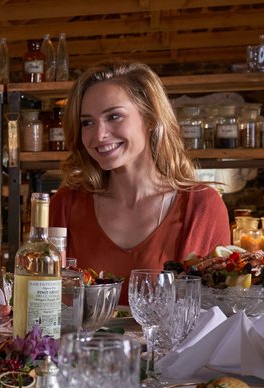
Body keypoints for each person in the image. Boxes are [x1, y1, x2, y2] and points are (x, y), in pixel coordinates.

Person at [50, 60, 230, 302]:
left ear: (151, 120)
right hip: (79, 342)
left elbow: (213, 313)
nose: (99, 135)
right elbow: (43, 299)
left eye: (114, 116)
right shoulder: (64, 205)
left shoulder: (200, 206)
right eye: (87, 122)